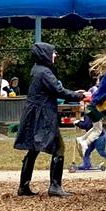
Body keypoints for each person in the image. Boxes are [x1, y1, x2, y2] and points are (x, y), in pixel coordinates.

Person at [14, 42, 84, 198]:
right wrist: (78, 95)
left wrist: (73, 93)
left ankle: (23, 186)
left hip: (34, 114)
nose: (55, 55)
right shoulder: (45, 72)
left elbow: (52, 90)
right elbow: (58, 90)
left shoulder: (36, 70)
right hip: (43, 115)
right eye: (53, 52)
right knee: (59, 147)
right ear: (45, 54)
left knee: (33, 149)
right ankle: (55, 186)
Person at [74, 88, 106, 171]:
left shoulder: (89, 112)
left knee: (101, 151)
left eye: (81, 104)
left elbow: (86, 124)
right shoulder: (88, 112)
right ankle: (86, 164)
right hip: (93, 135)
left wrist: (77, 123)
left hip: (99, 136)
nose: (80, 106)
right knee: (87, 150)